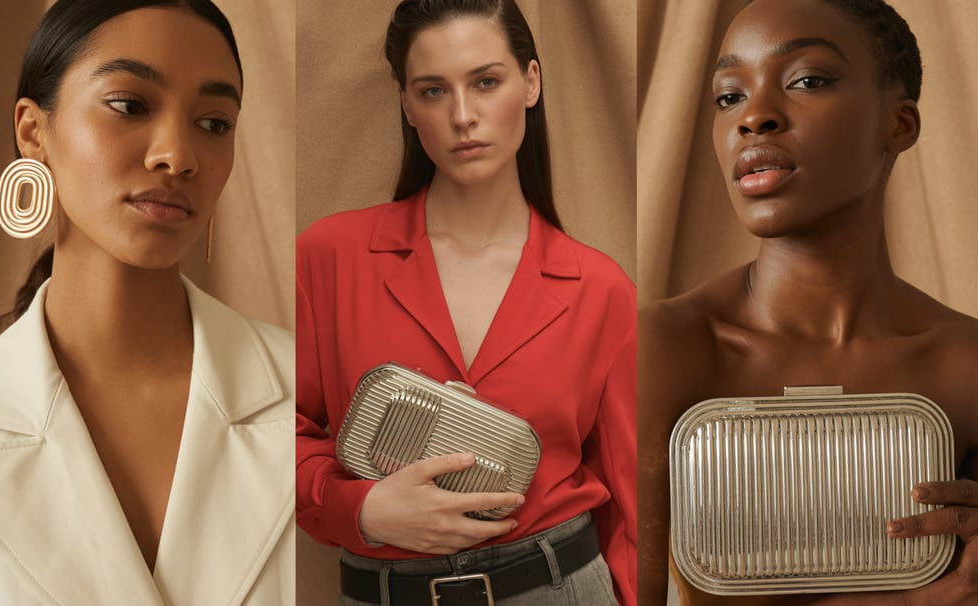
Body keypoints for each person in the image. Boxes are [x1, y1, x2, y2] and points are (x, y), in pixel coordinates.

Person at [295, 0, 636, 604]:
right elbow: (267, 434)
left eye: (486, 82)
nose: (462, 115)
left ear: (531, 82)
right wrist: (361, 508)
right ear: (406, 104)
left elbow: (630, 509)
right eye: (432, 91)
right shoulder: (329, 257)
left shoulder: (601, 288)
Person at [638, 0, 978, 604]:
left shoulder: (966, 364)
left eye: (807, 81)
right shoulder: (660, 349)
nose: (754, 118)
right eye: (728, 96)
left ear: (899, 124)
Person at [0, 1, 294, 603]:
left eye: (214, 123)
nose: (177, 155)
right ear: (34, 131)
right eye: (130, 105)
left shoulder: (314, 397)